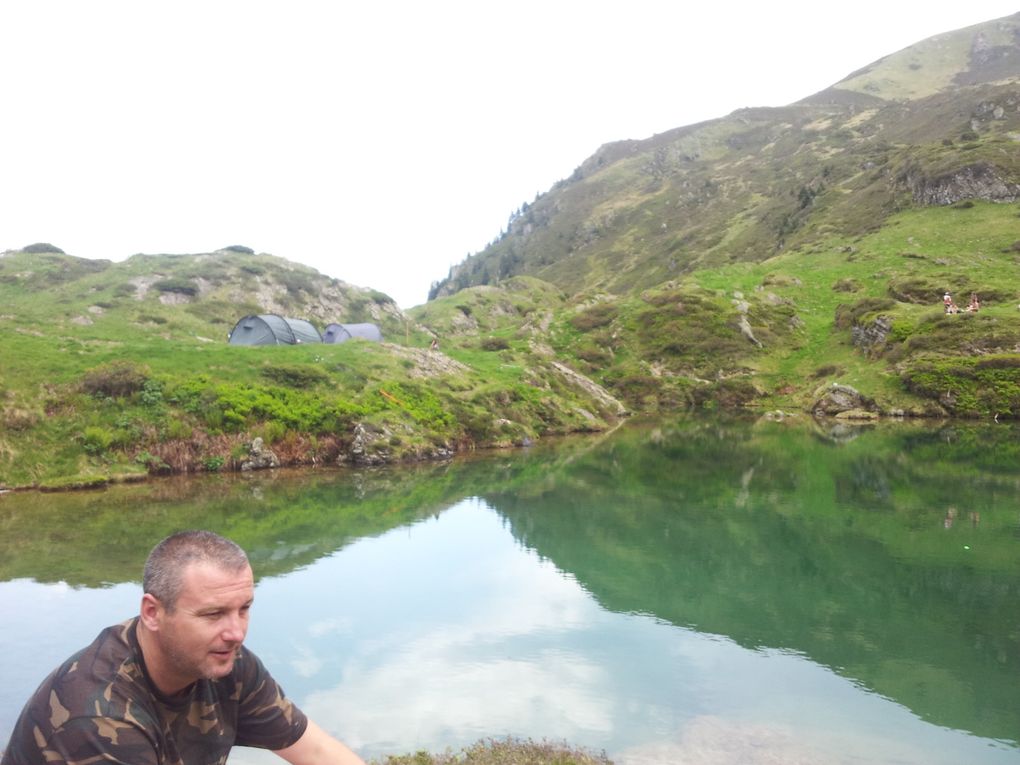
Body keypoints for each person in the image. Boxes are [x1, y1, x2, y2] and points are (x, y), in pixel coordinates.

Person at [1, 530, 366, 765]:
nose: (236, 632)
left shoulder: (226, 662)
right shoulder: (98, 716)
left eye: (244, 609)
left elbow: (317, 752)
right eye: (213, 614)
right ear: (153, 612)